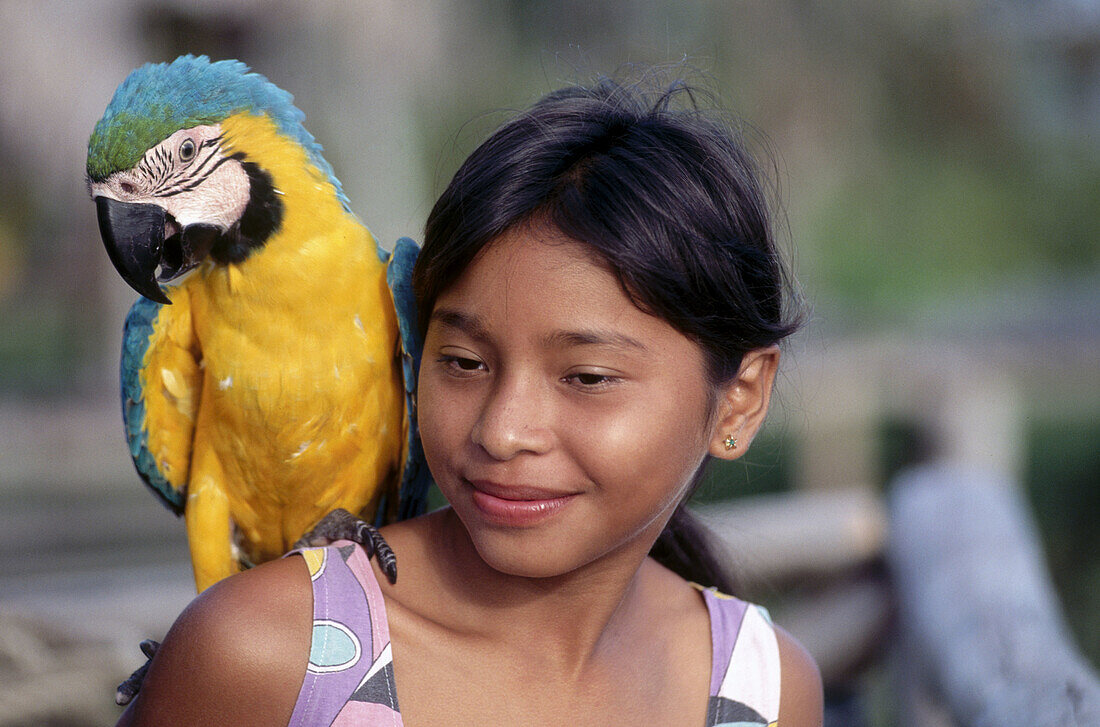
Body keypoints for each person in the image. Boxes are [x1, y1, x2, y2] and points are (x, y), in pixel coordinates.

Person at [116, 75, 823, 726]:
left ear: (739, 402)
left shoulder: (765, 686)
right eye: (462, 361)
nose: (503, 430)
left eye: (586, 376)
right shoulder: (259, 653)